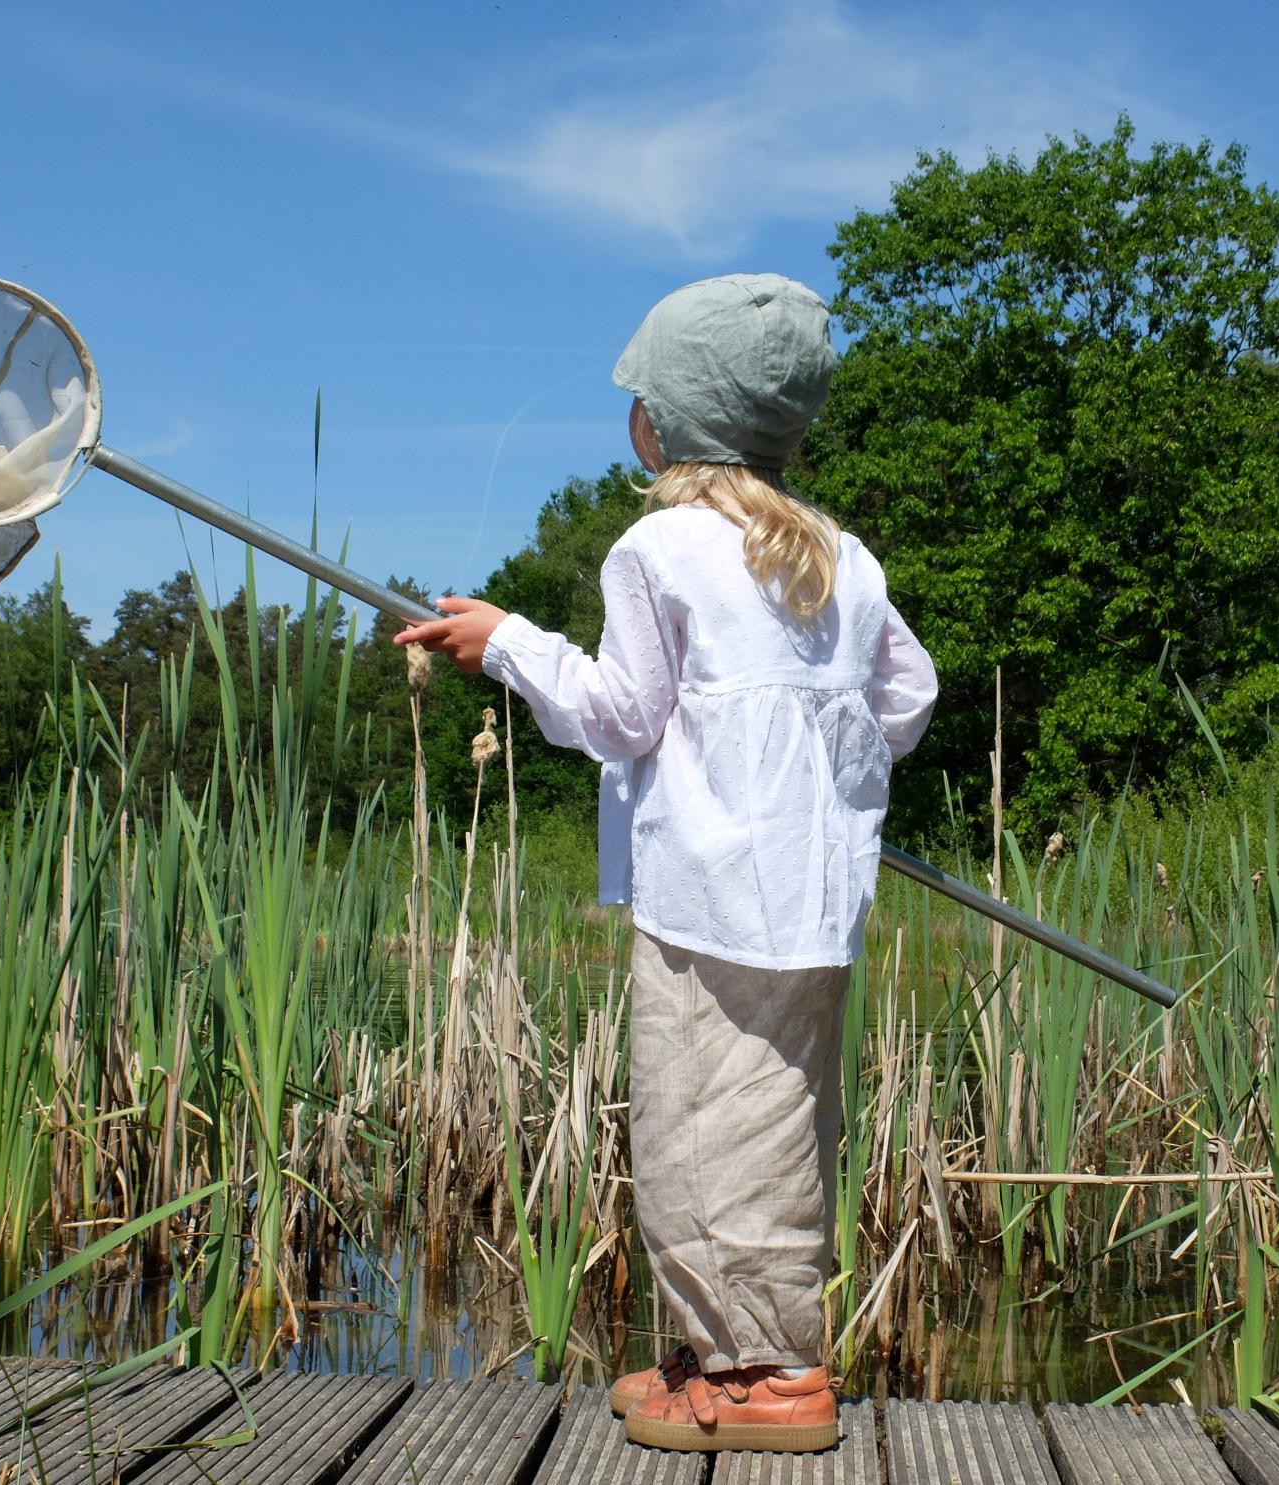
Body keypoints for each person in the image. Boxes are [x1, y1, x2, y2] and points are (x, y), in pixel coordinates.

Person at [396, 273, 936, 1453]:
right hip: (814, 904)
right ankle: (720, 1352)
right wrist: (821, 778)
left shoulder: (659, 547)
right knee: (779, 1121)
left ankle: (768, 1377)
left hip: (706, 905)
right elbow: (908, 698)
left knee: (697, 1128)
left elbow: (622, 715)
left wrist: (508, 647)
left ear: (664, 423)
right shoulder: (843, 556)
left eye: (640, 393)